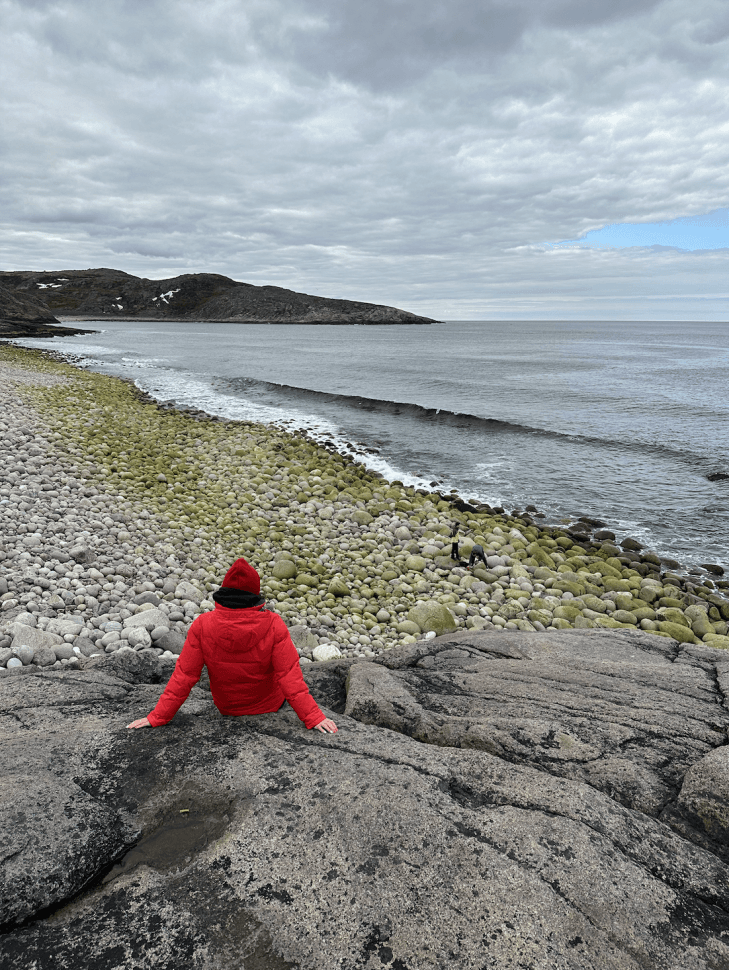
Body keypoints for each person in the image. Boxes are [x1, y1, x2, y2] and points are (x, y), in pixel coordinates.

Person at [127, 557, 338, 734]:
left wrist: (158, 716)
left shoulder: (202, 624)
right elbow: (289, 676)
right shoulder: (274, 623)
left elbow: (184, 675)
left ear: (224, 592)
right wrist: (313, 716)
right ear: (255, 595)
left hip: (227, 707)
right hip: (269, 705)